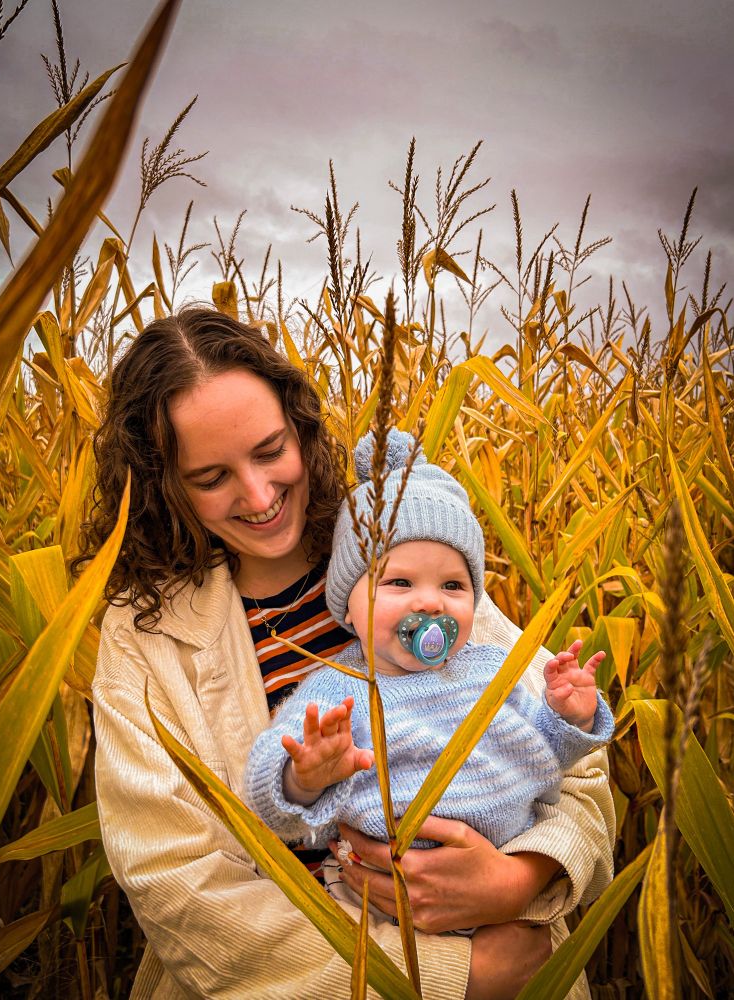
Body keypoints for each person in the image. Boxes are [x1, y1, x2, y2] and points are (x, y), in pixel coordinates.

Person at [86, 307, 615, 999]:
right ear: (163, 486)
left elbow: (578, 770)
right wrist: (457, 976)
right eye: (211, 477)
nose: (258, 495)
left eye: (271, 450)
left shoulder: (409, 553)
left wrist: (519, 880)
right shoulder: (142, 637)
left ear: (301, 429)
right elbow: (178, 888)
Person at [244, 430, 614, 927]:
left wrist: (569, 716)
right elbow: (274, 802)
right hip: (379, 910)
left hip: (507, 896)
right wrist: (304, 776)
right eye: (400, 582)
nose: (431, 602)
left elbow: (544, 755)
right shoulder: (340, 689)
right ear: (349, 608)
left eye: (453, 585)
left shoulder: (488, 670)